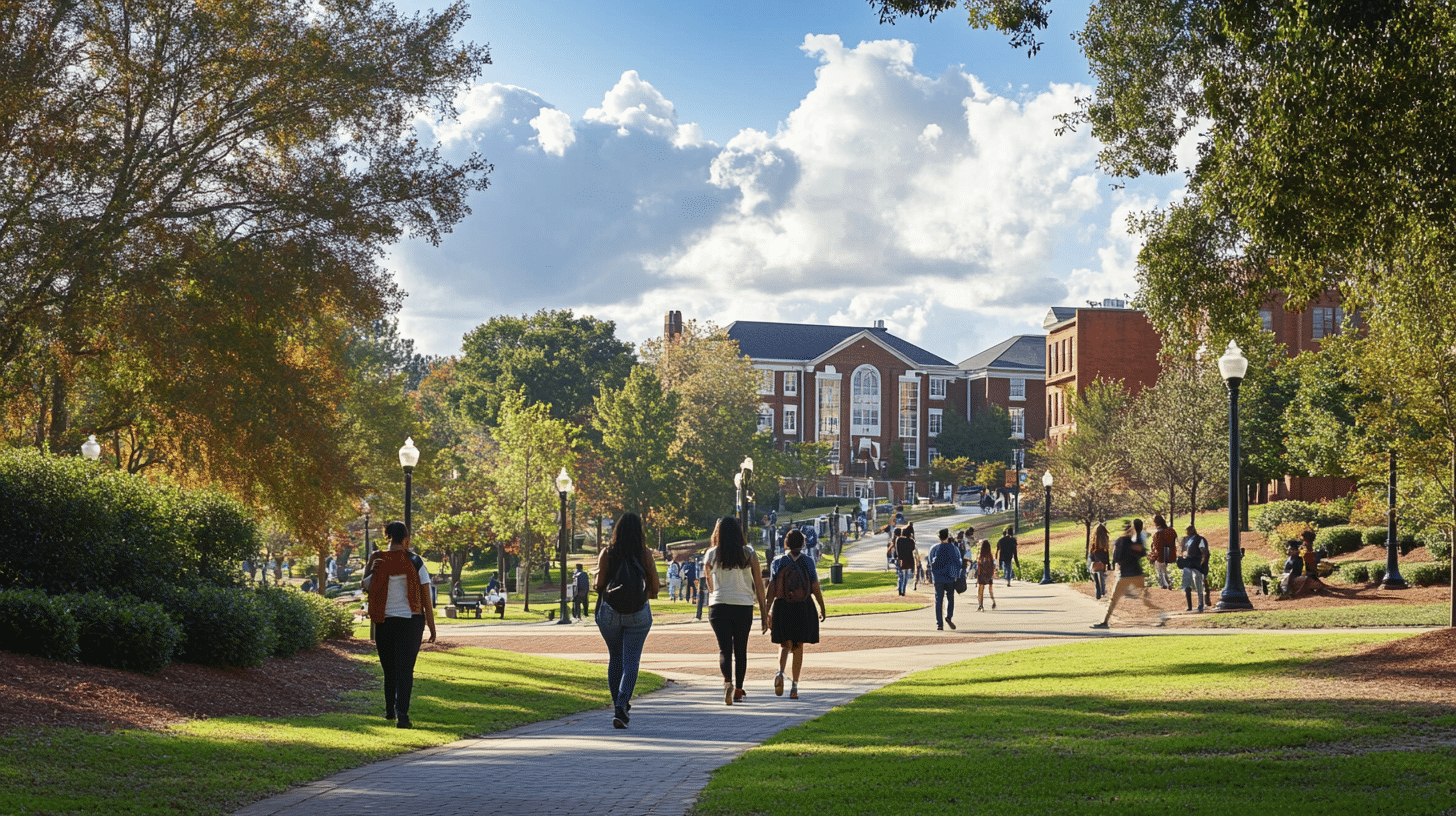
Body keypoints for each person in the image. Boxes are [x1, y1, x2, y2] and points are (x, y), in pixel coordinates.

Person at [362, 521, 437, 729]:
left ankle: (388, 711)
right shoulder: (414, 560)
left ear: (388, 537)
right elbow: (425, 594)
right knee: (405, 669)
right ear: (406, 538)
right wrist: (431, 625)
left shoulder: (377, 559)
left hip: (383, 620)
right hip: (410, 621)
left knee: (389, 669)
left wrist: (369, 564)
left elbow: (365, 586)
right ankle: (402, 715)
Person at [593, 512, 660, 729]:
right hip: (638, 613)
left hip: (610, 612)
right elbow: (655, 587)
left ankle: (618, 707)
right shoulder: (645, 555)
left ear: (617, 531)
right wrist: (640, 596)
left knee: (615, 657)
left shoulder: (607, 553)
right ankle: (622, 704)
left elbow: (599, 585)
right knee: (631, 661)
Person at [704, 516, 769, 705]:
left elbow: (709, 586)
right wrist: (764, 614)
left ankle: (727, 682)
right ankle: (739, 689)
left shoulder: (711, 554)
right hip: (742, 605)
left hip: (718, 605)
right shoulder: (748, 553)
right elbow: (759, 585)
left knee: (724, 648)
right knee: (741, 649)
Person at [766, 529, 826, 700]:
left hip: (782, 607)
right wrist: (822, 607)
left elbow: (771, 588)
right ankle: (794, 686)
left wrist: (767, 609)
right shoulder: (808, 561)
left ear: (786, 543)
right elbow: (814, 587)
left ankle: (779, 672)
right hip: (802, 607)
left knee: (784, 644)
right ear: (803, 543)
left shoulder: (778, 562)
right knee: (799, 646)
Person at [1091, 520, 1158, 629]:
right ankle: (1161, 614)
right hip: (1137, 573)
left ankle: (1105, 622)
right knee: (1145, 600)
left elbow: (1117, 558)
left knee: (1113, 600)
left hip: (1125, 574)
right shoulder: (1136, 541)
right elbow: (1141, 553)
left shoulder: (1121, 541)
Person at [927, 527, 964, 630]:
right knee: (950, 597)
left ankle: (939, 623)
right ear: (948, 536)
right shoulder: (954, 548)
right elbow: (958, 562)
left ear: (939, 537)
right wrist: (956, 574)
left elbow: (930, 562)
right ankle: (948, 616)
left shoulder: (934, 548)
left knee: (938, 599)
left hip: (938, 577)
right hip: (950, 577)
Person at [1179, 526, 1209, 612]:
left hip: (1197, 565)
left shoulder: (1200, 539)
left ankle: (1201, 604)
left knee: (1198, 584)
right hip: (1188, 564)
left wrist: (1203, 563)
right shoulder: (1186, 540)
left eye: (1189, 530)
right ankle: (1190, 606)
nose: (1188, 532)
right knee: (1187, 585)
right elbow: (1183, 551)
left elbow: (1204, 551)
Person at [1149, 514, 1177, 590]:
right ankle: (1170, 583)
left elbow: (1157, 548)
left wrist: (1152, 558)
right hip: (1172, 554)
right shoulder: (1171, 530)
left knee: (1160, 569)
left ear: (1156, 523)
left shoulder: (1157, 535)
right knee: (1168, 570)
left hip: (1161, 556)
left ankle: (1163, 584)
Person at [1087, 524, 1110, 600]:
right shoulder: (1105, 540)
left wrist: (1091, 561)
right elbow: (1106, 553)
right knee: (1103, 579)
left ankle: (1098, 593)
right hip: (1102, 563)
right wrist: (1107, 563)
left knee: (1096, 581)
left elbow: (1091, 553)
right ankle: (1103, 592)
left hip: (1095, 564)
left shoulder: (1093, 540)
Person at [893, 525, 917, 595]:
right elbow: (913, 549)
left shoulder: (899, 540)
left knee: (900, 575)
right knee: (905, 575)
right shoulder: (911, 541)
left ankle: (900, 589)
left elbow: (897, 549)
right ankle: (903, 589)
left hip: (900, 559)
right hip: (908, 560)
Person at [975, 539, 998, 610]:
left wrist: (977, 578)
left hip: (981, 574)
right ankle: (993, 600)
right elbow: (994, 566)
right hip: (989, 575)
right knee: (990, 590)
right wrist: (994, 573)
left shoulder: (980, 556)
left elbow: (978, 567)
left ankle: (980, 605)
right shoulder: (990, 557)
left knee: (980, 590)